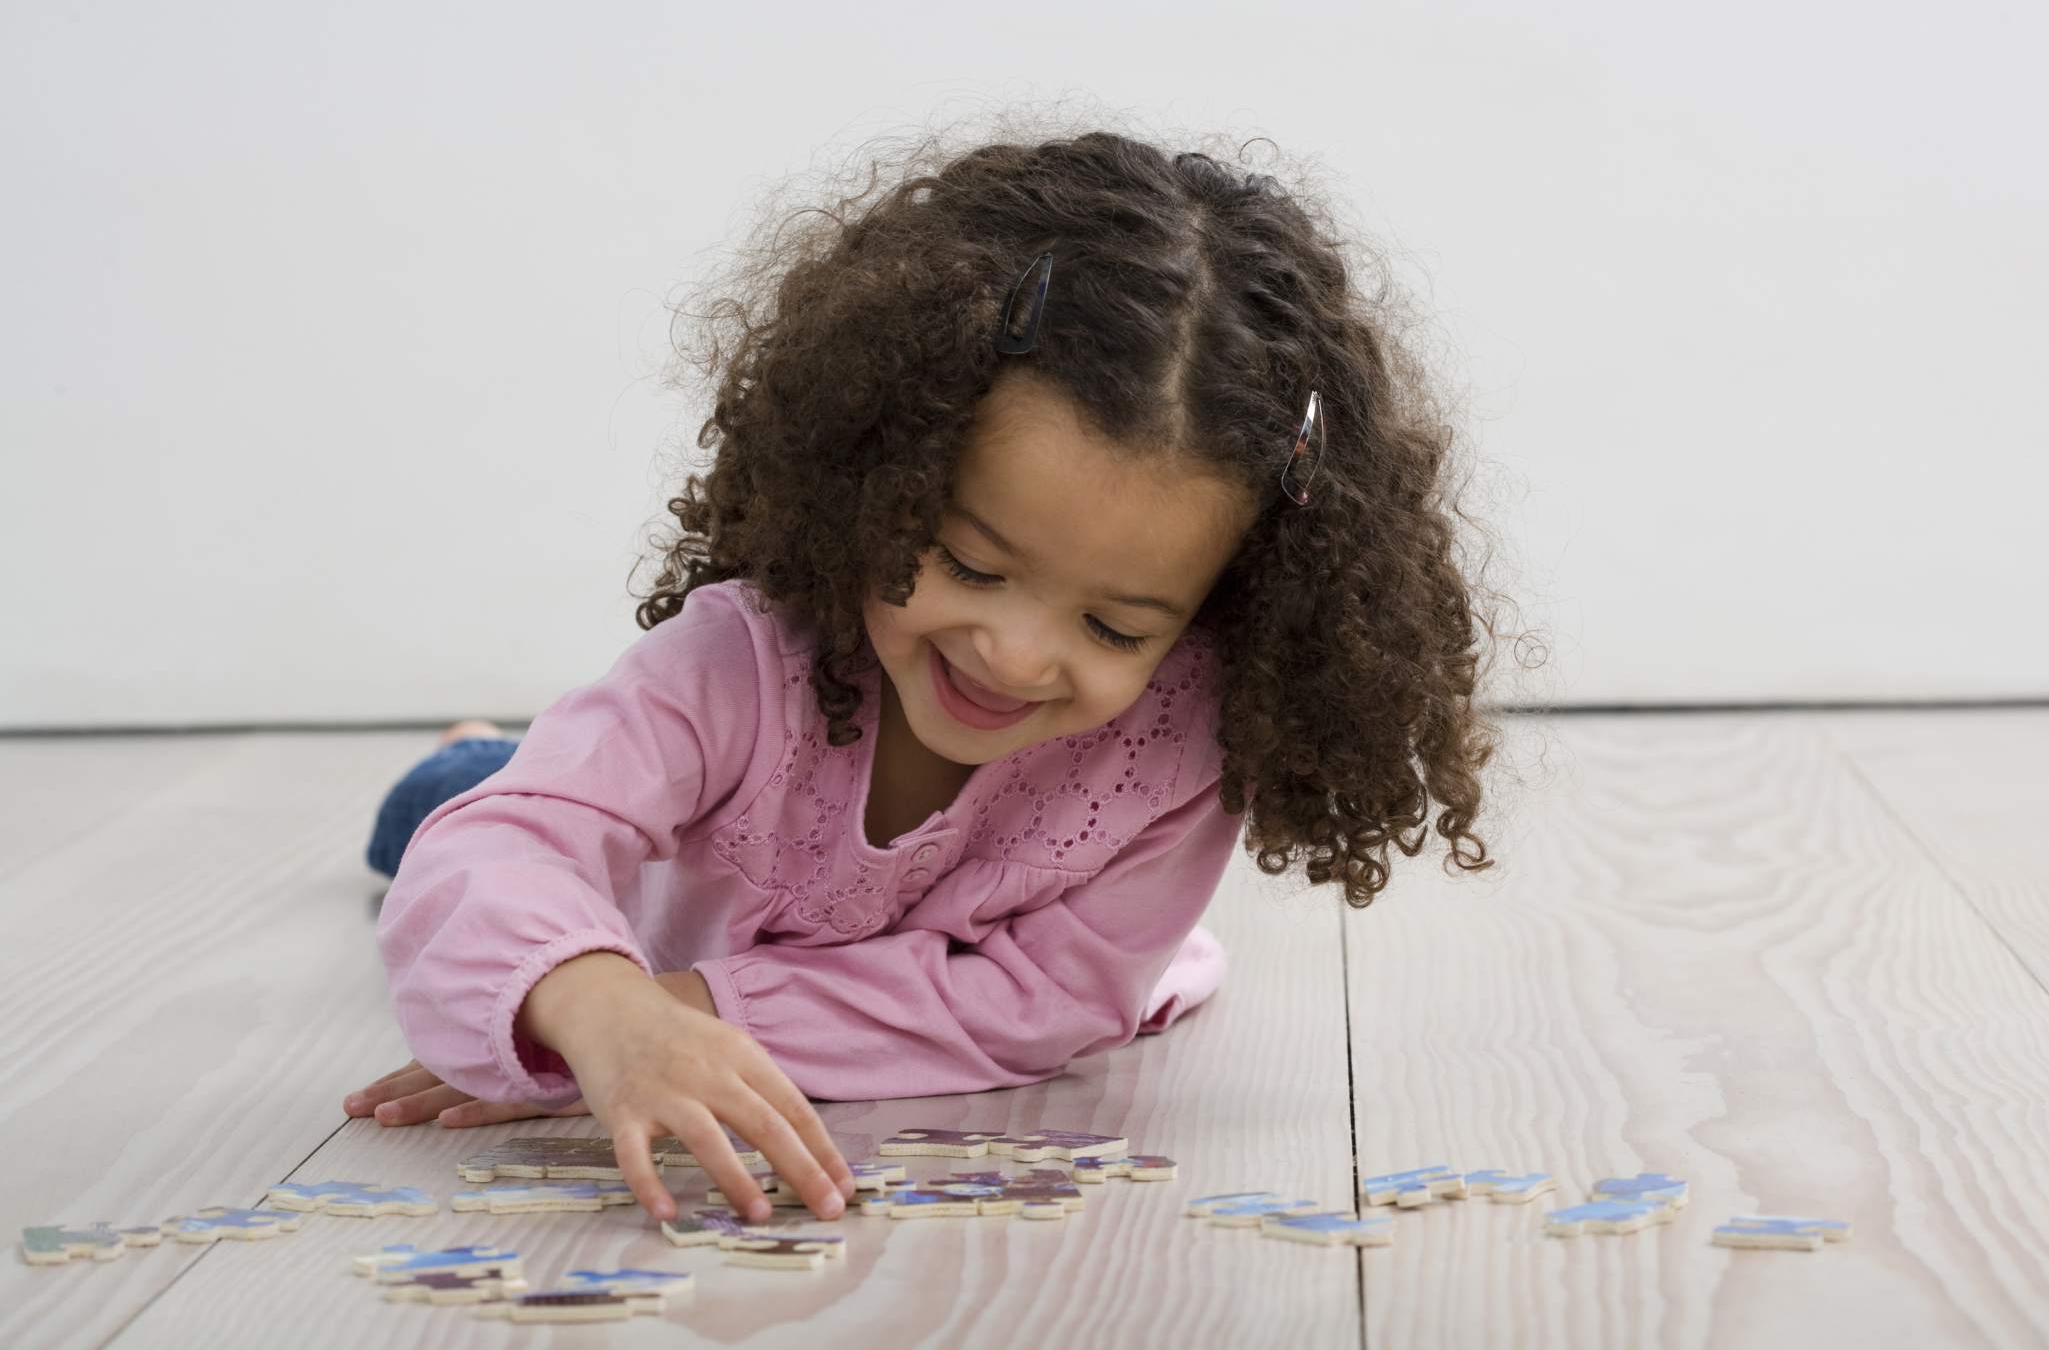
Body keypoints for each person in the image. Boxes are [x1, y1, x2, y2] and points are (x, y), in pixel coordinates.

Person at [344, 123, 1516, 1230]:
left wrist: (678, 1014)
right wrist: (592, 1002)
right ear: (877, 476)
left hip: (716, 946)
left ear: (1221, 619)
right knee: (452, 804)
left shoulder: (1184, 744)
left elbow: (1039, 1002)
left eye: (1114, 627)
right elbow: (499, 853)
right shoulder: (735, 660)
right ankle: (471, 751)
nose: (1012, 652)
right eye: (966, 561)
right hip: (654, 856)